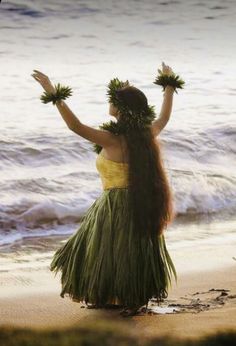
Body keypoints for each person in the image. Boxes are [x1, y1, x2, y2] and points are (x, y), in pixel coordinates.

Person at [31, 62, 178, 317]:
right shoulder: (146, 135)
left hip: (113, 206)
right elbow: (164, 117)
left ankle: (113, 295)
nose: (109, 103)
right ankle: (124, 295)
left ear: (121, 109)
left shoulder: (112, 139)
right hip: (140, 202)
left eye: (113, 100)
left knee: (106, 251)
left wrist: (53, 92)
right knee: (125, 251)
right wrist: (168, 83)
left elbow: (75, 127)